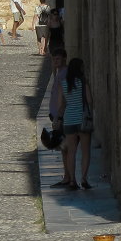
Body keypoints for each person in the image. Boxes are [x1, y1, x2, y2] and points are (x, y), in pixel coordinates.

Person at [53, 57, 92, 191]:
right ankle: (84, 179)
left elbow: (61, 105)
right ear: (80, 68)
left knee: (71, 152)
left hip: (69, 120)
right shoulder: (83, 82)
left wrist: (57, 118)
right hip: (82, 120)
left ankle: (72, 181)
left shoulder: (63, 84)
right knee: (85, 151)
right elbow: (90, 100)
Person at [46, 49, 71, 187]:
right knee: (63, 148)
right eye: (53, 59)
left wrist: (59, 117)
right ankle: (67, 176)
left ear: (64, 59)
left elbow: (65, 98)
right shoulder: (59, 73)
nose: (55, 61)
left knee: (65, 147)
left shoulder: (64, 74)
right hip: (57, 115)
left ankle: (68, 177)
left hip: (61, 117)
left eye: (58, 59)